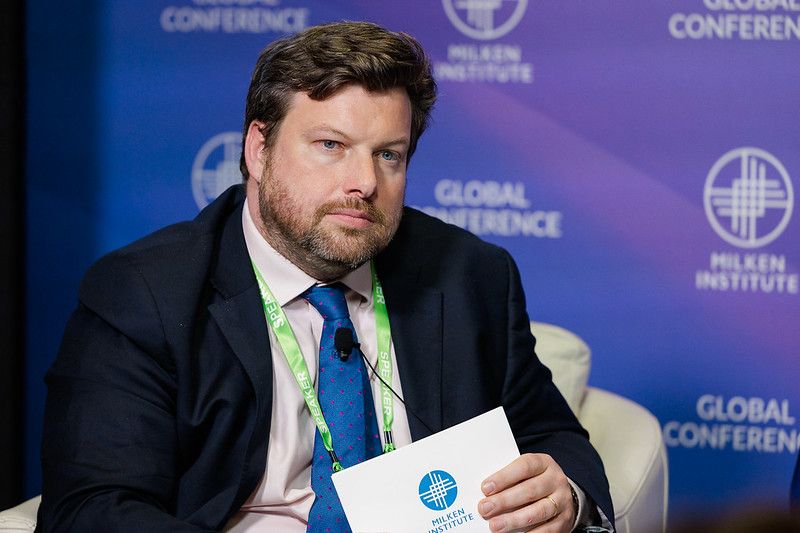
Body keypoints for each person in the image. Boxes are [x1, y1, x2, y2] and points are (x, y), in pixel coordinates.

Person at [37, 21, 613, 533]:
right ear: (258, 149)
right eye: (331, 146)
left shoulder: (470, 275)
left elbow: (554, 438)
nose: (363, 182)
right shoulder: (146, 294)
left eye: (389, 155)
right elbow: (93, 507)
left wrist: (567, 495)